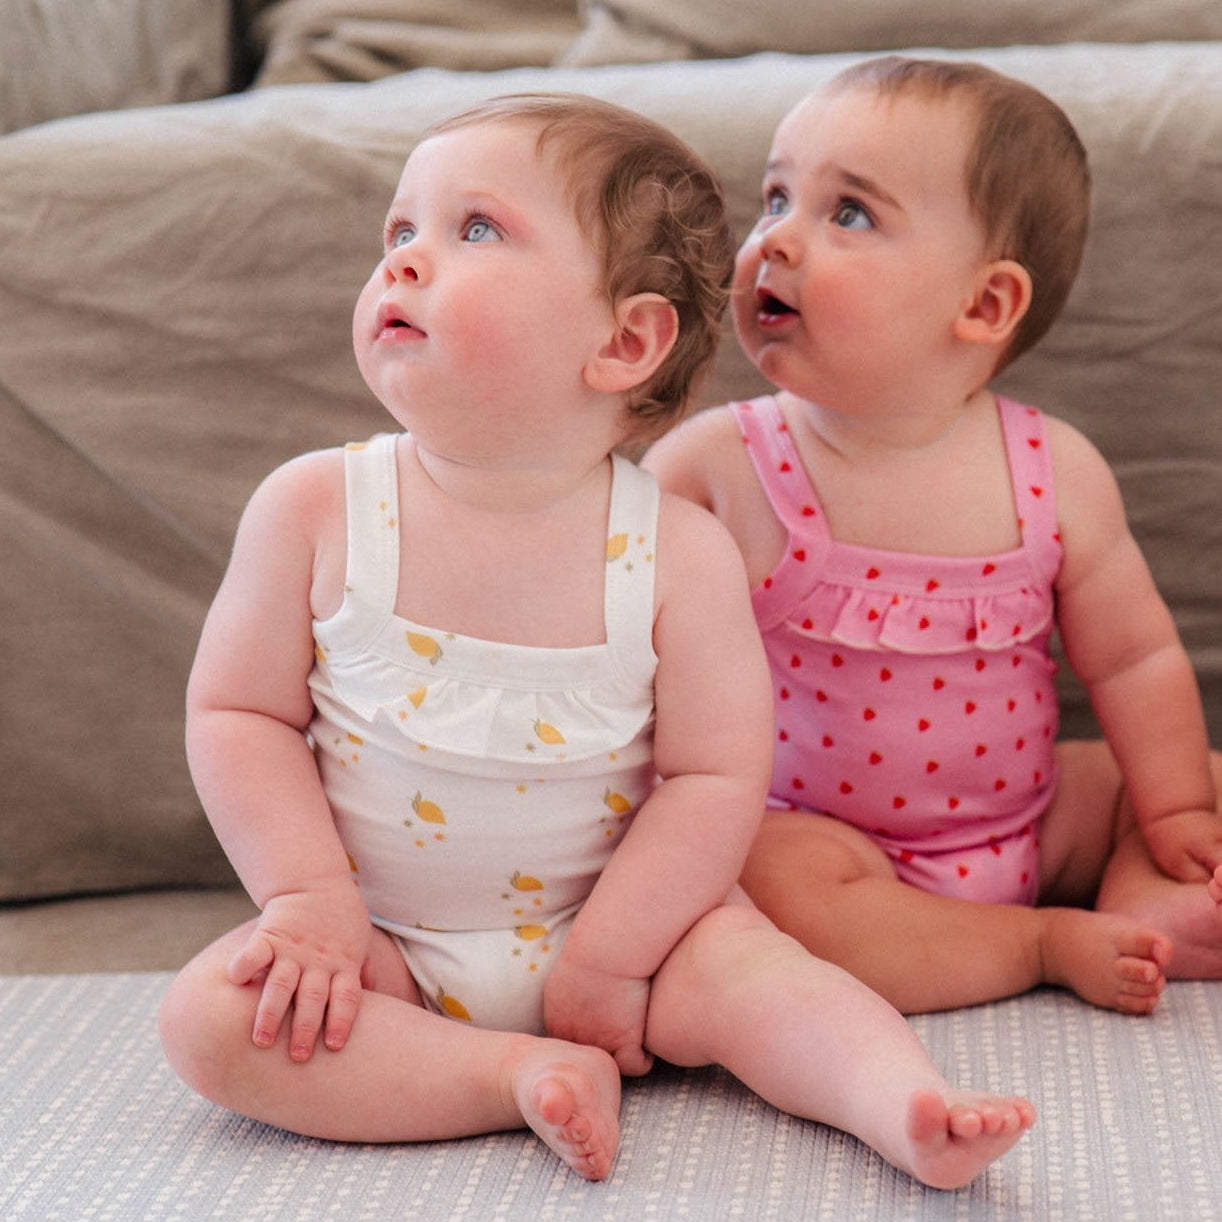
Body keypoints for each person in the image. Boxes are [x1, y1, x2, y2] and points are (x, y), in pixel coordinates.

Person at [158, 92, 1036, 1190]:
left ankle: (898, 1102)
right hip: (379, 937)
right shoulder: (316, 509)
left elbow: (712, 775)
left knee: (763, 972)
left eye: (472, 229)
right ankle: (507, 1072)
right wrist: (308, 901)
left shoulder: (674, 549)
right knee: (208, 1020)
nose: (407, 262)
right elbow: (238, 714)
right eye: (399, 232)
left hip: (625, 929)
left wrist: (616, 953)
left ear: (623, 341)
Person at [644, 57, 1222, 1020]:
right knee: (761, 888)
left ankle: (1144, 890)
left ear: (985, 306)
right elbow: (613, 644)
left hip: (1035, 821)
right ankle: (1035, 942)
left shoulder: (1056, 471)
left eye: (849, 213)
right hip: (821, 836)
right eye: (776, 196)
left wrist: (1170, 814)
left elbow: (1133, 661)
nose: (776, 238)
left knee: (1196, 778)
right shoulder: (715, 467)